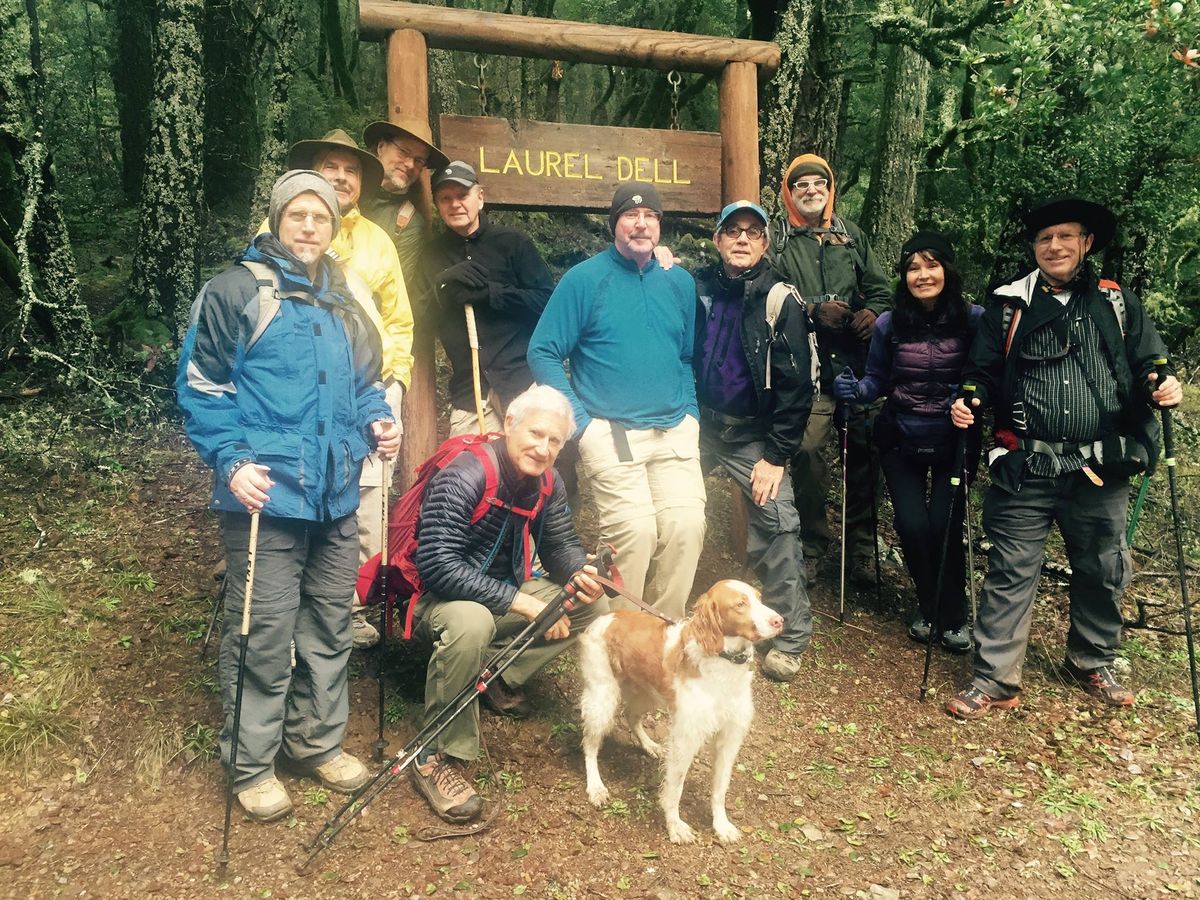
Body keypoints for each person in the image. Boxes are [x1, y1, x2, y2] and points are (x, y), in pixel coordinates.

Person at [178, 171, 402, 822]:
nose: (309, 226)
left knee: (331, 624)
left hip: (335, 493)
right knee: (264, 631)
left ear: (335, 227)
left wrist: (377, 423)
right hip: (265, 495)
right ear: (277, 220)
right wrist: (231, 460)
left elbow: (365, 384)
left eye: (321, 218)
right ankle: (251, 764)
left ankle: (316, 742)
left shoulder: (343, 301)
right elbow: (202, 386)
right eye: (298, 215)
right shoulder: (234, 291)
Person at [945, 196, 1183, 719]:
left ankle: (1092, 660)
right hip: (1024, 464)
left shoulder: (1115, 302)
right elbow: (980, 372)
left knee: (1102, 566)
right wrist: (969, 399)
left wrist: (1162, 384)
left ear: (1086, 243)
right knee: (1009, 570)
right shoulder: (1010, 305)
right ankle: (995, 677)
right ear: (1035, 248)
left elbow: (1149, 362)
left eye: (1065, 237)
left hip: (1101, 466)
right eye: (1045, 239)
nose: (1054, 247)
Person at [409, 384, 607, 823]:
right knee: (472, 624)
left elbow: (559, 546)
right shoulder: (465, 475)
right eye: (536, 433)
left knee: (593, 610)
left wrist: (578, 571)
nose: (543, 448)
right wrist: (524, 603)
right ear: (510, 424)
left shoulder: (547, 482)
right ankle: (434, 753)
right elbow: (437, 564)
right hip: (441, 601)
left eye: (555, 441)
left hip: (503, 593)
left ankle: (488, 673)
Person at [528, 182, 706, 621]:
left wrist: (692, 414)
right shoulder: (585, 280)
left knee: (687, 528)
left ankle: (661, 636)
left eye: (651, 217)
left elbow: (685, 357)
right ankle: (618, 636)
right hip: (614, 431)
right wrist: (583, 424)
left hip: (674, 430)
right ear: (615, 225)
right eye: (630, 215)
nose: (641, 224)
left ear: (661, 226)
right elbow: (543, 351)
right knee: (636, 532)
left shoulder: (679, 282)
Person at [277, 129, 415, 649]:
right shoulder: (287, 231)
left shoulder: (378, 241)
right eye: (329, 166)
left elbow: (400, 319)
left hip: (368, 390)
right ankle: (290, 608)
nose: (341, 177)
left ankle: (351, 606)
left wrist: (395, 380)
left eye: (351, 170)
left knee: (366, 500)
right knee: (299, 488)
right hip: (297, 392)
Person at [833, 231, 982, 653]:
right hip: (901, 437)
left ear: (947, 270)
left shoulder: (973, 319)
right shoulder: (889, 323)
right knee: (913, 525)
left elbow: (986, 376)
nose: (923, 275)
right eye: (913, 267)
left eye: (931, 265)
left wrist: (971, 399)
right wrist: (857, 391)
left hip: (956, 439)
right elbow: (877, 378)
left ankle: (953, 613)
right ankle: (929, 606)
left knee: (945, 525)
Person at [694, 200, 815, 682]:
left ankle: (789, 636)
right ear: (718, 239)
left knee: (777, 522)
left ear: (765, 243)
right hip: (699, 426)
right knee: (666, 508)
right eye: (732, 231)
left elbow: (797, 386)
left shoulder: (780, 299)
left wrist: (776, 456)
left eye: (752, 232)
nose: (742, 239)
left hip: (754, 437)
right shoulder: (697, 287)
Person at [769, 154, 892, 584]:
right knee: (805, 452)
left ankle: (860, 548)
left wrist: (873, 312)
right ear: (789, 191)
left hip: (857, 366)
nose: (809, 190)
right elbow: (767, 296)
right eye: (799, 184)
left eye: (817, 183)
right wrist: (812, 311)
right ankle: (812, 544)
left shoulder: (851, 236)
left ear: (829, 188)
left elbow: (880, 288)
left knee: (865, 452)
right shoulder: (776, 239)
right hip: (806, 368)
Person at [427, 161, 556, 437]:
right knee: (463, 474)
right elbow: (417, 315)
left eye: (462, 196)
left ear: (480, 198)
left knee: (534, 470)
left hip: (521, 383)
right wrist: (441, 285)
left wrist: (492, 293)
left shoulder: (513, 243)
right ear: (437, 205)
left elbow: (547, 304)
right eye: (446, 199)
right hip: (470, 393)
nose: (455, 204)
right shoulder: (431, 255)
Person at [362, 117, 450, 306]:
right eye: (403, 152)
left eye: (419, 161)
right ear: (381, 147)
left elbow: (394, 294)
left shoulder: (408, 222)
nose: (410, 164)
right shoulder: (346, 187)